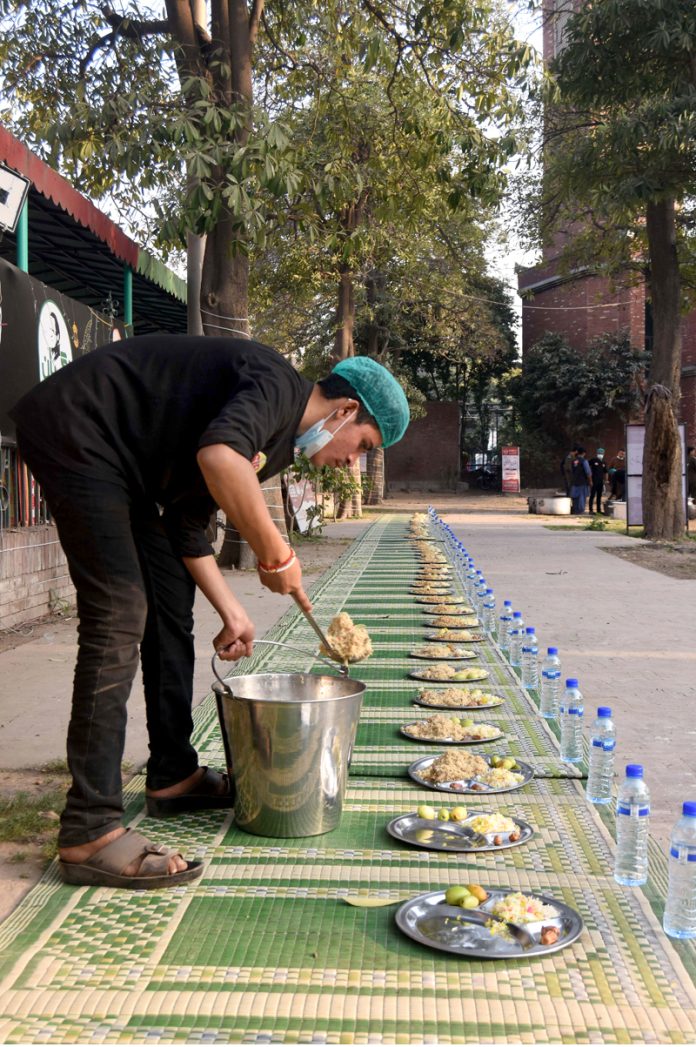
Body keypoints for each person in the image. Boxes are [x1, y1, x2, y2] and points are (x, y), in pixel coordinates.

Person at [10, 335, 410, 890]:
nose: (353, 462)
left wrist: (233, 610)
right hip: (81, 427)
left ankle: (174, 775)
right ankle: (90, 829)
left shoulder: (276, 444)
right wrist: (278, 553)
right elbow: (219, 457)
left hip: (131, 469)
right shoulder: (277, 385)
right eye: (363, 444)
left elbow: (185, 520)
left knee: (170, 602)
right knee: (120, 610)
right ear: (345, 411)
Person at [569, 446, 591, 514]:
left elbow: (572, 471)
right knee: (582, 496)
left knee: (575, 496)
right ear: (584, 453)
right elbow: (588, 472)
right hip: (582, 481)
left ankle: (576, 510)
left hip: (575, 481)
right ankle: (581, 511)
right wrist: (590, 481)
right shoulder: (584, 461)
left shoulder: (574, 461)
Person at [587, 447, 608, 514]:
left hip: (600, 481)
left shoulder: (604, 462)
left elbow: (606, 472)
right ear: (597, 453)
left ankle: (599, 510)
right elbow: (587, 467)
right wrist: (589, 479)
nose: (600, 454)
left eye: (602, 453)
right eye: (599, 453)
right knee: (592, 495)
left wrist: (606, 480)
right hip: (594, 480)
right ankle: (591, 510)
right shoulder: (593, 460)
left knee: (599, 496)